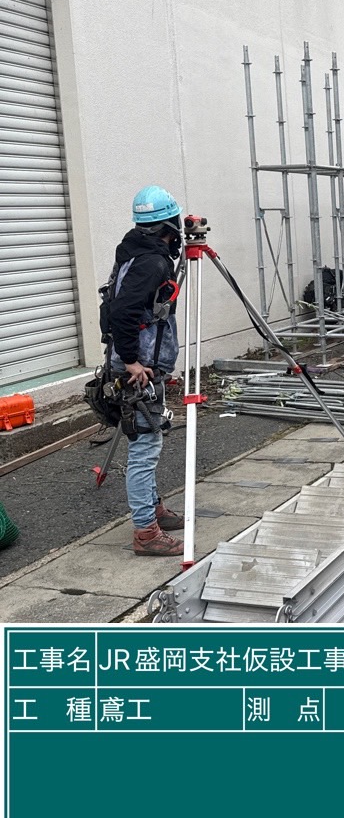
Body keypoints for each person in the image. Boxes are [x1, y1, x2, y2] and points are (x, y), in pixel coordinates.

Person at [107, 186, 184, 556]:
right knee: (145, 448)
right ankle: (146, 532)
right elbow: (122, 312)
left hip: (142, 365)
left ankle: (153, 510)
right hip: (139, 370)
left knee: (147, 439)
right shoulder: (152, 263)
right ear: (170, 225)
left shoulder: (133, 252)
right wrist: (132, 361)